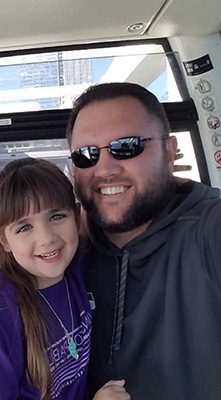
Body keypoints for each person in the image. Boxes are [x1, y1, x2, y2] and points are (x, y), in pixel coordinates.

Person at [66, 82, 221, 400]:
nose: (105, 169)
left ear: (169, 150)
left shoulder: (208, 229)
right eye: (86, 155)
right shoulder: (65, 252)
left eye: (127, 146)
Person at [0, 158, 129, 400]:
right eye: (24, 228)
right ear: (3, 240)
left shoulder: (77, 268)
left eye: (57, 217)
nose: (47, 238)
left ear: (77, 217)